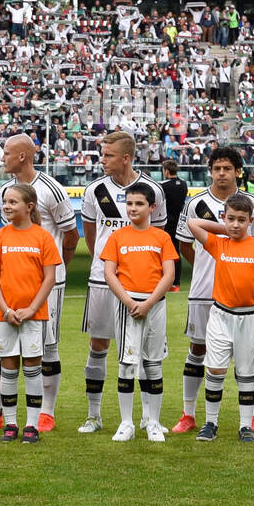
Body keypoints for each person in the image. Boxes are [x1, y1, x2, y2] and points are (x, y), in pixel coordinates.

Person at [0, 134, 76, 433]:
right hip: (10, 284)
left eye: (6, 153)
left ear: (22, 157)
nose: (2, 157)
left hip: (46, 284)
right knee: (0, 349)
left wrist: (52, 272)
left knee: (46, 348)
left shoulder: (52, 189)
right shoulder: (7, 190)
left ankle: (46, 413)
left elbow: (71, 235)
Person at [172, 146, 254, 434]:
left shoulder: (252, 204)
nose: (222, 174)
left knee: (245, 354)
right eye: (217, 169)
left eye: (227, 168)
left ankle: (249, 417)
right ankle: (188, 413)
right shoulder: (195, 203)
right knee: (197, 350)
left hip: (243, 297)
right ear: (210, 171)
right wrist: (209, 264)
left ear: (238, 171)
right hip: (204, 290)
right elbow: (184, 244)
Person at [77, 131, 165, 433]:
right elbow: (91, 234)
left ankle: (147, 418)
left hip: (143, 286)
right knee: (98, 344)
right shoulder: (95, 190)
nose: (102, 160)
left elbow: (158, 238)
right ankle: (94, 415)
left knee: (142, 350)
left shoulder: (153, 190)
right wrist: (107, 266)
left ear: (125, 158)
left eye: (108, 155)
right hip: (104, 282)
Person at [186, 193, 254, 443]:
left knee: (246, 373)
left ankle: (245, 426)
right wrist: (225, 229)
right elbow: (193, 223)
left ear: (252, 220)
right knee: (215, 369)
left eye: (242, 220)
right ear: (223, 218)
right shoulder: (220, 243)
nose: (236, 224)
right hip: (220, 316)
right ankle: (210, 423)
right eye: (231, 219)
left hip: (251, 318)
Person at [0, 184, 61, 444]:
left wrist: (31, 309)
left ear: (29, 207)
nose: (7, 206)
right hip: (4, 316)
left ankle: (31, 425)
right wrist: (6, 309)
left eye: (13, 202)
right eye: (5, 202)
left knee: (32, 367)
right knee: (8, 367)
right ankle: (11, 423)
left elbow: (49, 278)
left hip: (34, 316)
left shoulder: (43, 237)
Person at [100, 182, 177, 442]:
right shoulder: (118, 237)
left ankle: (152, 422)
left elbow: (169, 274)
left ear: (152, 207)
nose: (133, 208)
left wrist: (148, 303)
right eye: (129, 203)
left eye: (139, 204)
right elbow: (110, 273)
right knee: (126, 364)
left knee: (153, 365)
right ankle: (126, 423)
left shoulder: (161, 237)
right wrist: (130, 302)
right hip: (127, 306)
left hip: (154, 305)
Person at [159, 159, 188, 292]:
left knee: (164, 252)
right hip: (179, 221)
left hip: (167, 222)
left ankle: (164, 280)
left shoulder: (163, 186)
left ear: (166, 171)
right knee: (176, 250)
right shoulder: (183, 184)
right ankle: (176, 283)